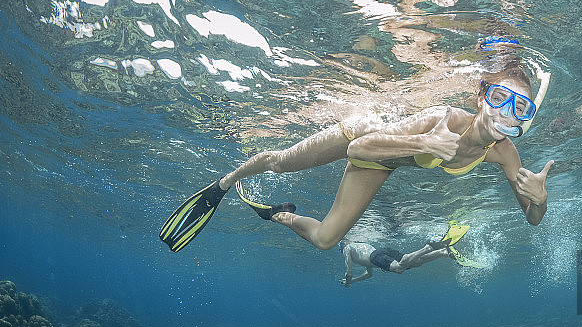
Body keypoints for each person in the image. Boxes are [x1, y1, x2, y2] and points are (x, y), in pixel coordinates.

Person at [160, 41, 553, 254]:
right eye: (499, 98)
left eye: (520, 107)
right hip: (363, 137)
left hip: (385, 164)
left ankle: (280, 215)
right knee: (279, 163)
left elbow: (533, 219)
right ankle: (225, 183)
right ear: (481, 97)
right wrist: (425, 141)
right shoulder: (443, 118)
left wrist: (540, 201)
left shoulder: (505, 153)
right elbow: (359, 150)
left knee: (325, 240)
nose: (507, 113)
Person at [339, 239, 452, 286]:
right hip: (381, 252)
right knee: (415, 262)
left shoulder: (347, 248)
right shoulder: (361, 247)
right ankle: (443, 252)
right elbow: (369, 274)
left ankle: (428, 248)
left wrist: (348, 281)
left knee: (399, 268)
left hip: (375, 257)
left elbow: (349, 272)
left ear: (342, 246)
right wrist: (353, 281)